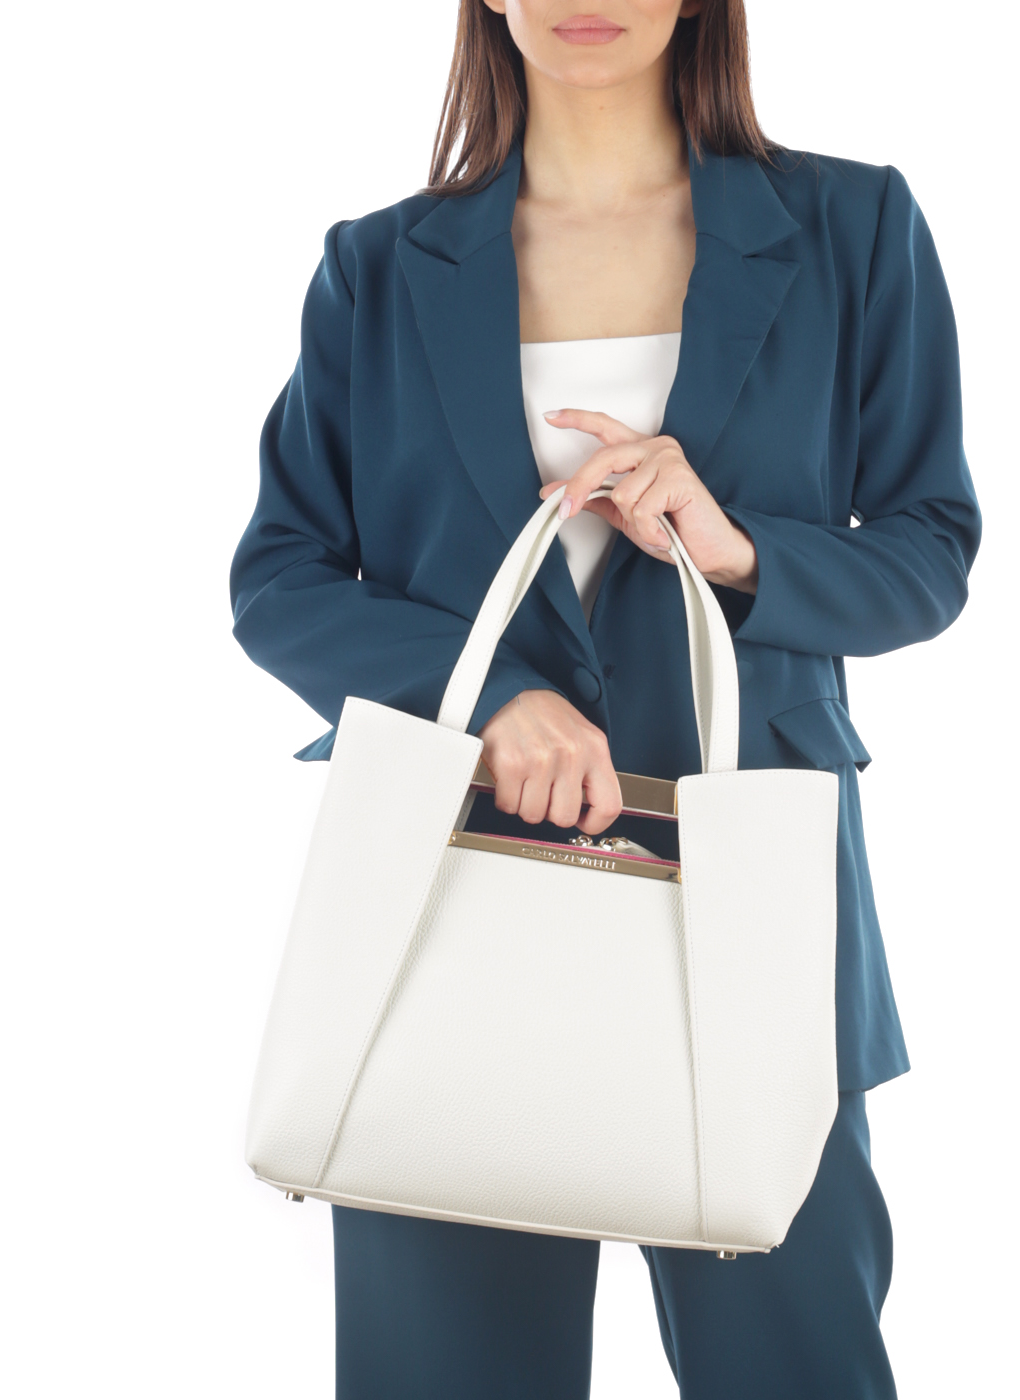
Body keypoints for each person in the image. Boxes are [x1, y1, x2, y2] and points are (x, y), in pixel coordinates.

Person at [230, 2, 981, 1395]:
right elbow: (280, 577)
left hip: (750, 919)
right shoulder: (379, 268)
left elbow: (928, 553)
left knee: (797, 1369)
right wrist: (486, 701)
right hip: (453, 915)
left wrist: (734, 548)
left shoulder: (854, 227)